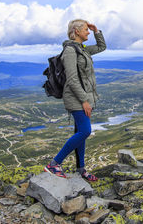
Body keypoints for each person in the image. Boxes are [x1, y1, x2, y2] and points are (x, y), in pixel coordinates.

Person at [44, 19, 106, 181]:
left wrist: (96, 31)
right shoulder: (71, 51)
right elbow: (71, 79)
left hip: (84, 98)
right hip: (77, 99)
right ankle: (54, 164)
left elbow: (101, 47)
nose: (87, 32)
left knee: (81, 133)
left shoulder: (81, 49)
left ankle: (81, 169)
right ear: (76, 32)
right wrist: (85, 101)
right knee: (85, 131)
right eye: (85, 29)